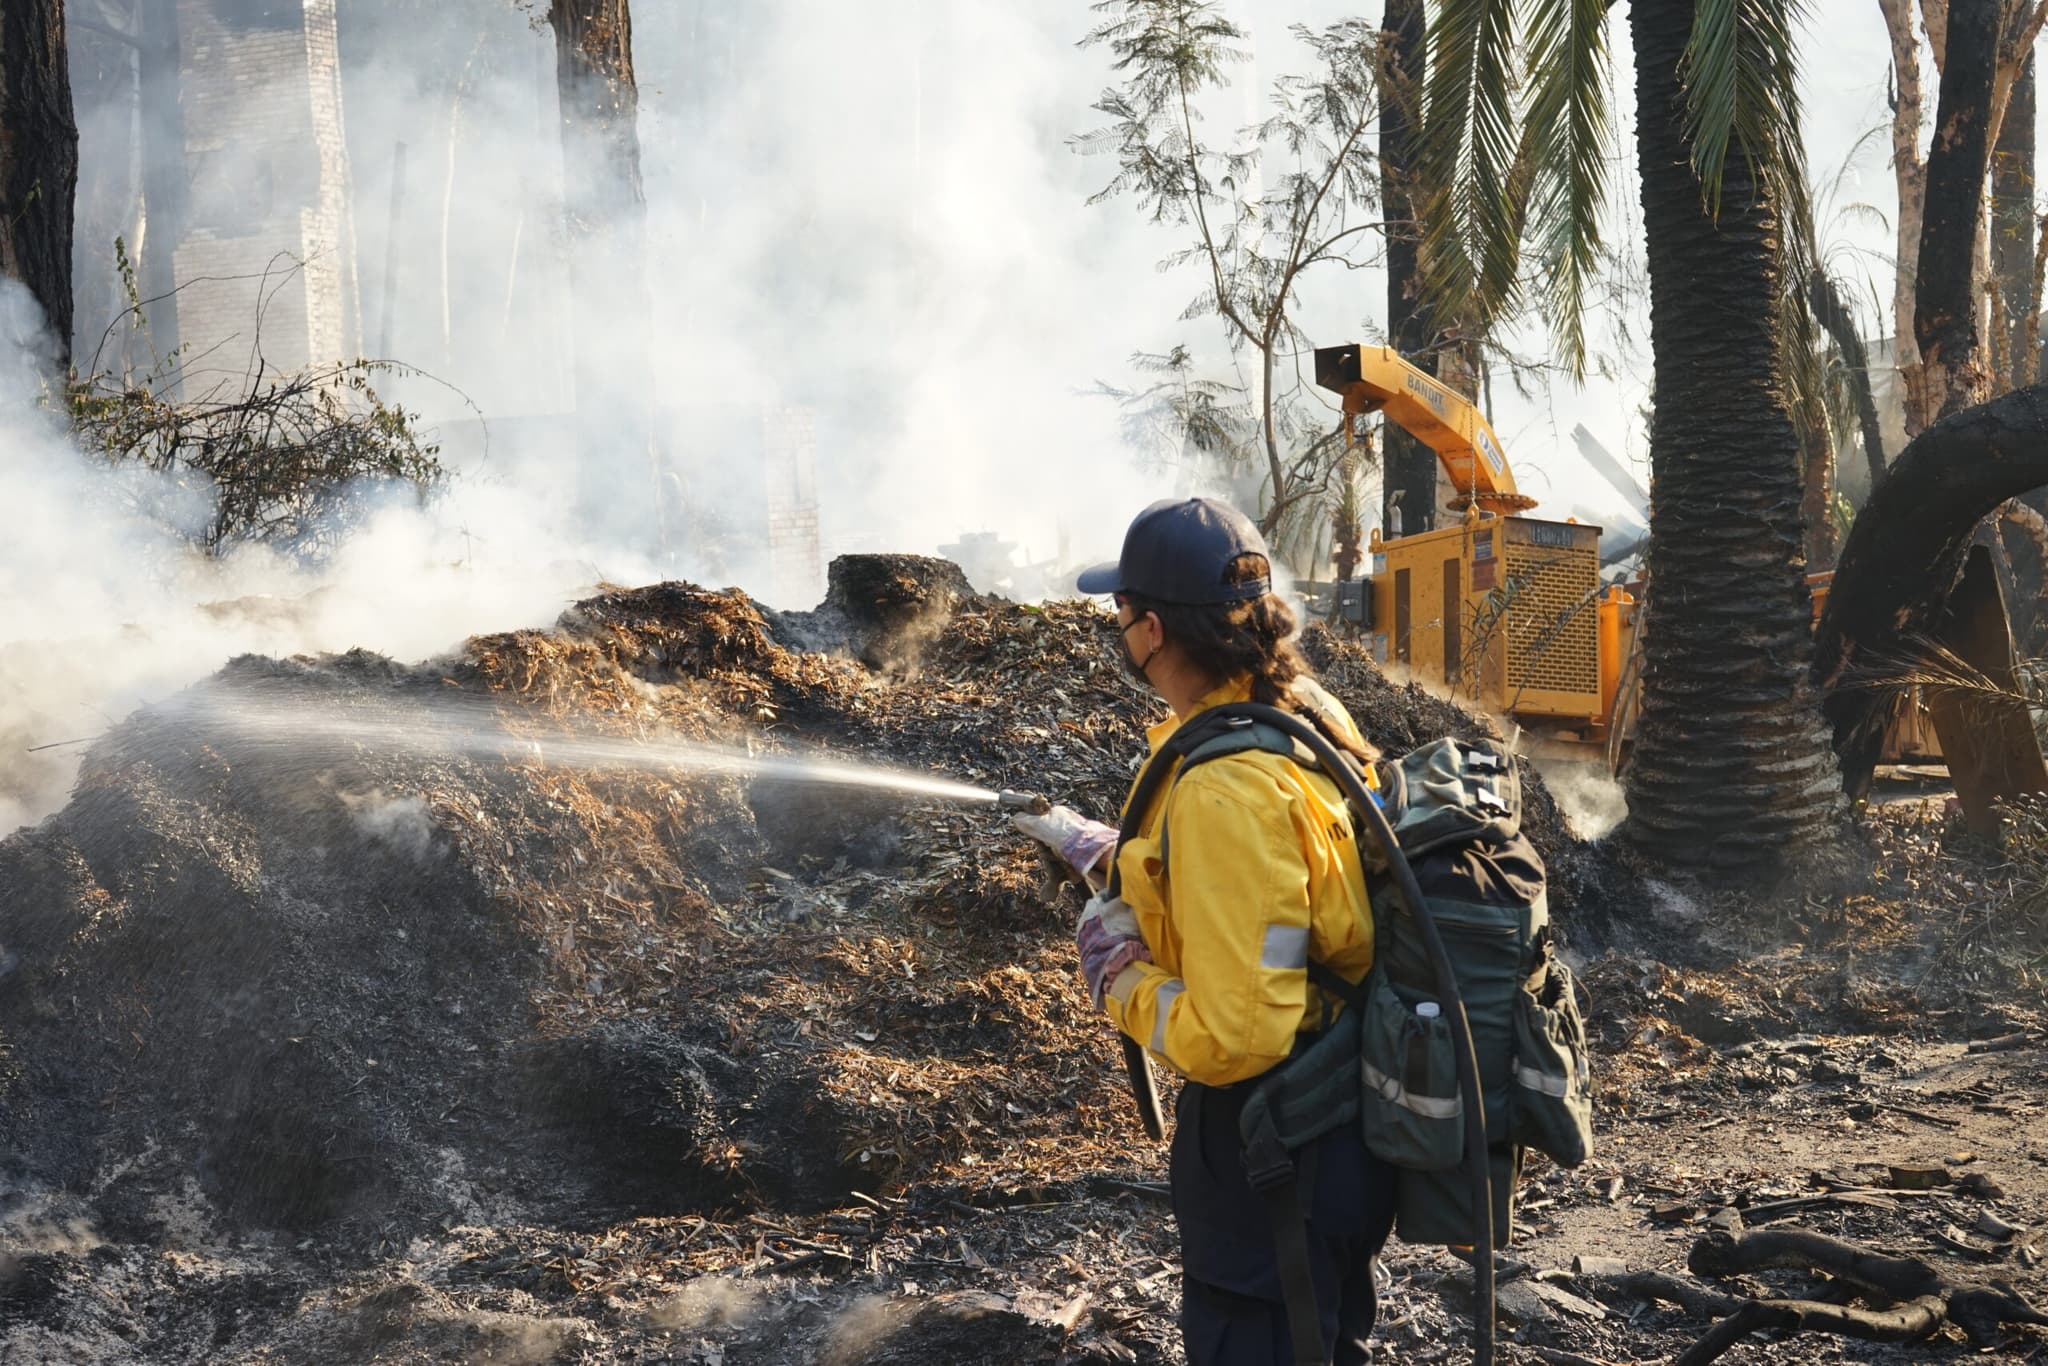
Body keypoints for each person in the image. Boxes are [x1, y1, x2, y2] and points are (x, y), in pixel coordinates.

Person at [1014, 497, 1397, 1365]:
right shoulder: (1300, 712)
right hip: (1337, 1123)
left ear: (1151, 630)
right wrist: (1112, 855)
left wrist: (1122, 983)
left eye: (1120, 613)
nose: (1116, 628)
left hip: (1276, 1150)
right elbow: (1286, 890)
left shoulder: (1224, 789)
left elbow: (1234, 1037)